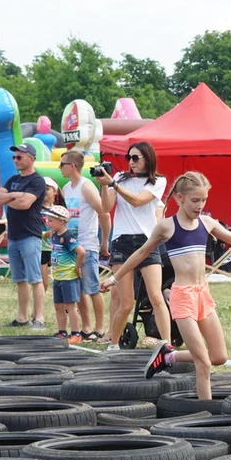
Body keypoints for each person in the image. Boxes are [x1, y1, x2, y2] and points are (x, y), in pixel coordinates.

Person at [106, 172, 231, 400]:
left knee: (219, 357)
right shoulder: (166, 226)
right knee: (203, 362)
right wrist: (114, 278)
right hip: (182, 296)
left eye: (203, 200)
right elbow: (140, 253)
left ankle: (168, 357)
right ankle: (207, 413)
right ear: (179, 199)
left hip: (203, 294)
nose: (200, 205)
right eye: (195, 200)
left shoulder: (207, 222)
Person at [96, 140, 170, 351]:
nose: (131, 162)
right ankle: (114, 344)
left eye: (136, 158)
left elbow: (139, 201)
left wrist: (113, 185)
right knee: (125, 302)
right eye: (129, 157)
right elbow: (106, 206)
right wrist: (104, 185)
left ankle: (167, 346)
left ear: (148, 159)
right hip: (123, 241)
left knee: (156, 296)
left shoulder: (157, 181)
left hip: (147, 241)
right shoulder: (119, 178)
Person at [0, 144, 47, 330]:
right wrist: (15, 195)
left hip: (30, 235)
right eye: (14, 157)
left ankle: (38, 317)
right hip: (14, 235)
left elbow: (25, 204)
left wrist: (10, 197)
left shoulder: (38, 181)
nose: (15, 160)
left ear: (31, 158)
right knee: (20, 280)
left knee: (35, 278)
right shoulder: (13, 180)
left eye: (19, 157)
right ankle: (22, 317)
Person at [61, 150, 111, 342]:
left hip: (88, 244)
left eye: (63, 164)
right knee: (79, 290)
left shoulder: (86, 186)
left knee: (91, 288)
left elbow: (104, 213)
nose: (60, 168)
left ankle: (99, 328)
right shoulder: (66, 188)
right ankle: (86, 327)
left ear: (72, 166)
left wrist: (104, 241)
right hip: (72, 246)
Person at [43, 205, 85, 343]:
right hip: (58, 277)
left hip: (68, 277)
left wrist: (77, 268)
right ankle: (62, 331)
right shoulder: (54, 234)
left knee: (70, 307)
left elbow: (81, 252)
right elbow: (45, 235)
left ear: (61, 221)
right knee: (58, 306)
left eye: (51, 221)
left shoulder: (67, 237)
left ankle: (76, 333)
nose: (48, 223)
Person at [39, 177, 61, 287]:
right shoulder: (36, 209)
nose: (43, 191)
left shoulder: (59, 210)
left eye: (47, 189)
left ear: (55, 192)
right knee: (43, 282)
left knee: (61, 278)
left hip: (57, 247)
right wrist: (44, 235)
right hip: (41, 248)